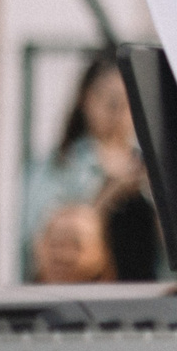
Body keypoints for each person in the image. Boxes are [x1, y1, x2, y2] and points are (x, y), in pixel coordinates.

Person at [25, 57, 158, 282]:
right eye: (111, 102)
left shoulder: (151, 166)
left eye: (129, 103)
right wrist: (109, 196)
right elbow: (41, 248)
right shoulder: (61, 165)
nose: (119, 113)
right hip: (82, 296)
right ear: (85, 99)